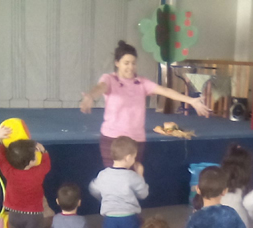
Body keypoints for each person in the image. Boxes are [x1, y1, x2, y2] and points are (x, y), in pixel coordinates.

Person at [80, 40, 211, 168]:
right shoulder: (109, 79)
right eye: (126, 63)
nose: (131, 67)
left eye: (133, 63)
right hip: (112, 139)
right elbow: (100, 87)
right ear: (117, 63)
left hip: (136, 140)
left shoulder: (142, 82)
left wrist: (191, 100)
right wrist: (91, 96)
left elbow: (165, 91)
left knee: (134, 178)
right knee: (114, 178)